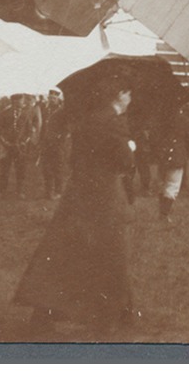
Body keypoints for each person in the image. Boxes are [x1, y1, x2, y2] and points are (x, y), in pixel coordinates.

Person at [15, 78, 138, 335]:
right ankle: (110, 315)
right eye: (128, 94)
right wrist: (131, 147)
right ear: (118, 94)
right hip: (105, 195)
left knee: (64, 251)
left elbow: (74, 158)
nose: (130, 99)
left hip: (78, 193)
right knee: (111, 252)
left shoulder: (86, 120)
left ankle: (44, 313)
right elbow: (125, 163)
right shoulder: (114, 123)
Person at [152, 102, 189, 219]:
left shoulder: (160, 120)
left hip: (162, 157)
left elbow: (153, 137)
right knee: (172, 185)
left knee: (162, 183)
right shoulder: (186, 121)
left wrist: (157, 152)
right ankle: (164, 214)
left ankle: (162, 211)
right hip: (178, 157)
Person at [0, 94, 38, 199]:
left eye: (22, 101)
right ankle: (2, 192)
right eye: (20, 101)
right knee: (4, 170)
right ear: (14, 102)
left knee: (21, 169)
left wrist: (24, 141)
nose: (22, 103)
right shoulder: (4, 114)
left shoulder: (26, 114)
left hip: (20, 147)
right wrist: (5, 143)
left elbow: (29, 131)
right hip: (7, 146)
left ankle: (20, 191)